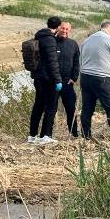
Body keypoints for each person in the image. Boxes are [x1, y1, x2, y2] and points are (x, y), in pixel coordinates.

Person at [79, 20, 110, 141]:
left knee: (87, 108)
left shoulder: (87, 40)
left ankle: (86, 135)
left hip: (85, 77)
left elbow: (81, 60)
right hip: (103, 79)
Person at [27, 16, 63, 145]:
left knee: (38, 105)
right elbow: (52, 62)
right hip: (48, 79)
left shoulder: (39, 36)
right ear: (58, 27)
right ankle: (45, 136)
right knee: (51, 107)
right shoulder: (50, 40)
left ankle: (32, 136)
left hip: (37, 77)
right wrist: (58, 80)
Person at [55, 21, 80, 137]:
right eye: (63, 28)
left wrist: (74, 78)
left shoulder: (73, 44)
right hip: (53, 83)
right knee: (51, 110)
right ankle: (47, 135)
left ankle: (74, 134)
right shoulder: (52, 42)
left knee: (71, 109)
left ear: (70, 30)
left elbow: (76, 62)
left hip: (68, 83)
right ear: (58, 28)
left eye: (67, 29)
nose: (64, 31)